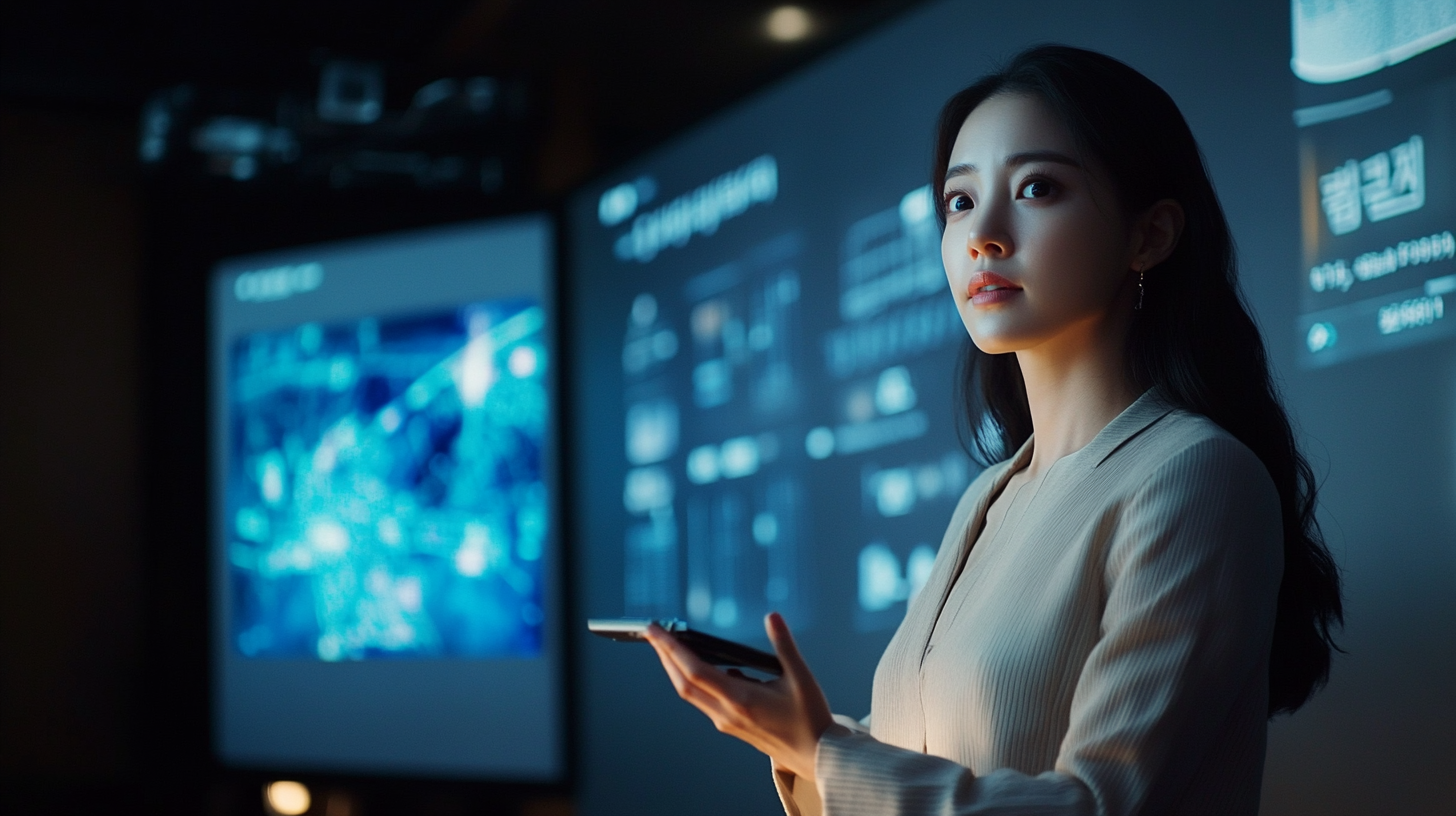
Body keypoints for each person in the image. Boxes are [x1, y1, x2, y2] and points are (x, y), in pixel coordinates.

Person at [644, 44, 1342, 815]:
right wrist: (793, 735)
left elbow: (1100, 805)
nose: (984, 236)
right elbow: (920, 759)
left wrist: (823, 750)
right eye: (960, 202)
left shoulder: (1198, 474)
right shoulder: (989, 495)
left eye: (1038, 188)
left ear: (1151, 236)